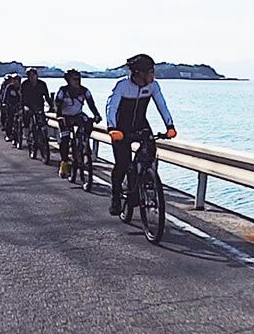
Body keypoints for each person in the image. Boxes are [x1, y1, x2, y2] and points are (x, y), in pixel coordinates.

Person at [105, 54, 176, 215]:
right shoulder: (122, 86)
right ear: (139, 73)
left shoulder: (153, 86)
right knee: (122, 164)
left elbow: (162, 105)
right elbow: (111, 107)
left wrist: (169, 125)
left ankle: (144, 180)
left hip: (140, 124)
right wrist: (112, 128)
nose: (153, 75)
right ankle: (116, 198)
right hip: (121, 129)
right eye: (150, 72)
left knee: (150, 151)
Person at [54, 69, 102, 176]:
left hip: (78, 115)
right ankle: (64, 163)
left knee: (87, 123)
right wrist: (60, 117)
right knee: (65, 140)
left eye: (79, 79)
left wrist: (97, 115)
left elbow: (91, 104)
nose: (77, 81)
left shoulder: (85, 91)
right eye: (74, 79)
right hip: (65, 116)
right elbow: (58, 105)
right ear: (68, 80)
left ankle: (83, 144)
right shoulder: (63, 91)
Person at [19, 67, 52, 141]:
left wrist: (51, 106)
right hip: (28, 105)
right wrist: (22, 106)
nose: (32, 77)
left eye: (33, 75)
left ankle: (44, 135)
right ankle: (27, 130)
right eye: (30, 75)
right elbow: (22, 97)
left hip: (39, 105)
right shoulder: (25, 84)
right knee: (26, 113)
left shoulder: (42, 84)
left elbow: (46, 96)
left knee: (42, 120)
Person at [0, 73, 23, 142]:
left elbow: (25, 97)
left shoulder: (22, 87)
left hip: (19, 106)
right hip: (10, 105)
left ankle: (22, 134)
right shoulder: (9, 87)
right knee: (9, 119)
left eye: (17, 80)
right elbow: (5, 96)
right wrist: (4, 103)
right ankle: (8, 135)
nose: (16, 81)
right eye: (14, 80)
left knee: (22, 120)